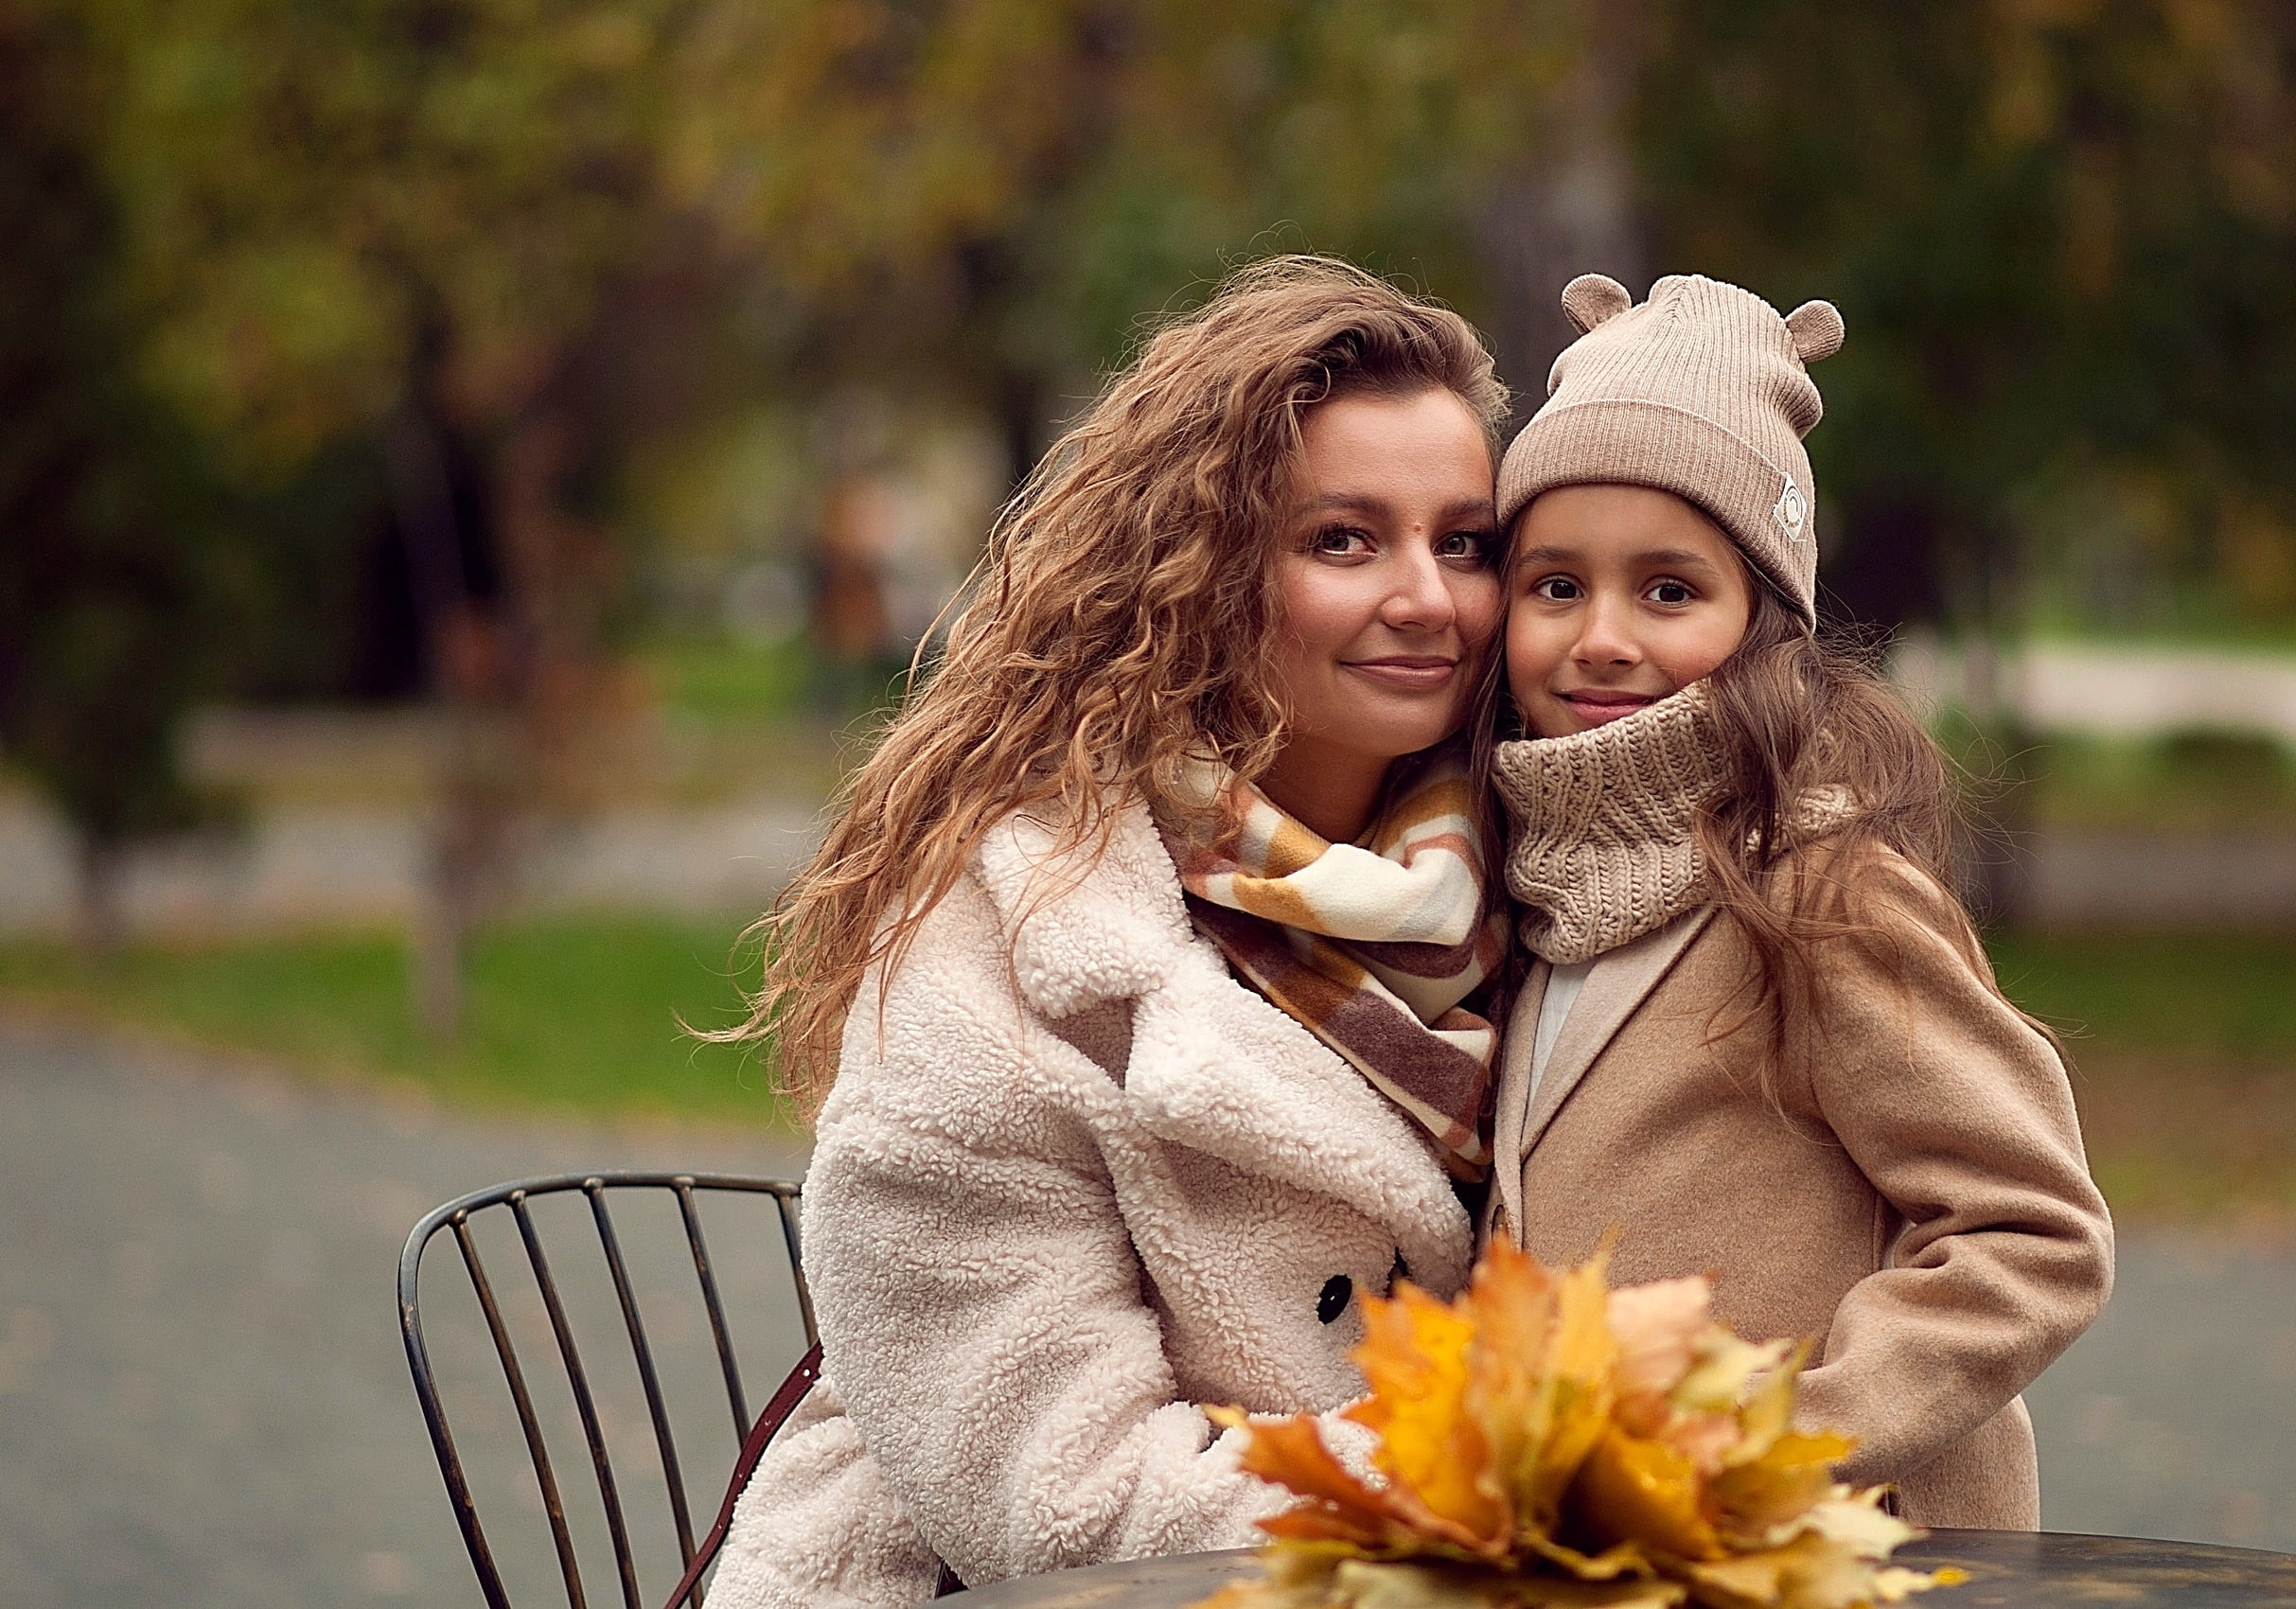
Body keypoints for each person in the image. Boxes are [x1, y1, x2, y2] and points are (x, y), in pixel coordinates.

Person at [705, 258, 1512, 1609]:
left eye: (1467, 542)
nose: (1429, 597)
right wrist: (1510, 1486)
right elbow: (1071, 1514)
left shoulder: (1533, 886)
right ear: (1202, 572)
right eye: (1344, 541)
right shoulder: (1000, 952)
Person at [1479, 272, 2114, 1529]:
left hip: (1833, 1556)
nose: (1601, 635)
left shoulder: (1824, 889)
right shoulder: (1523, 891)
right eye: (1556, 586)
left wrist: (1780, 1445)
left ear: (1765, 620)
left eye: (1669, 590)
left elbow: (2030, 1231)